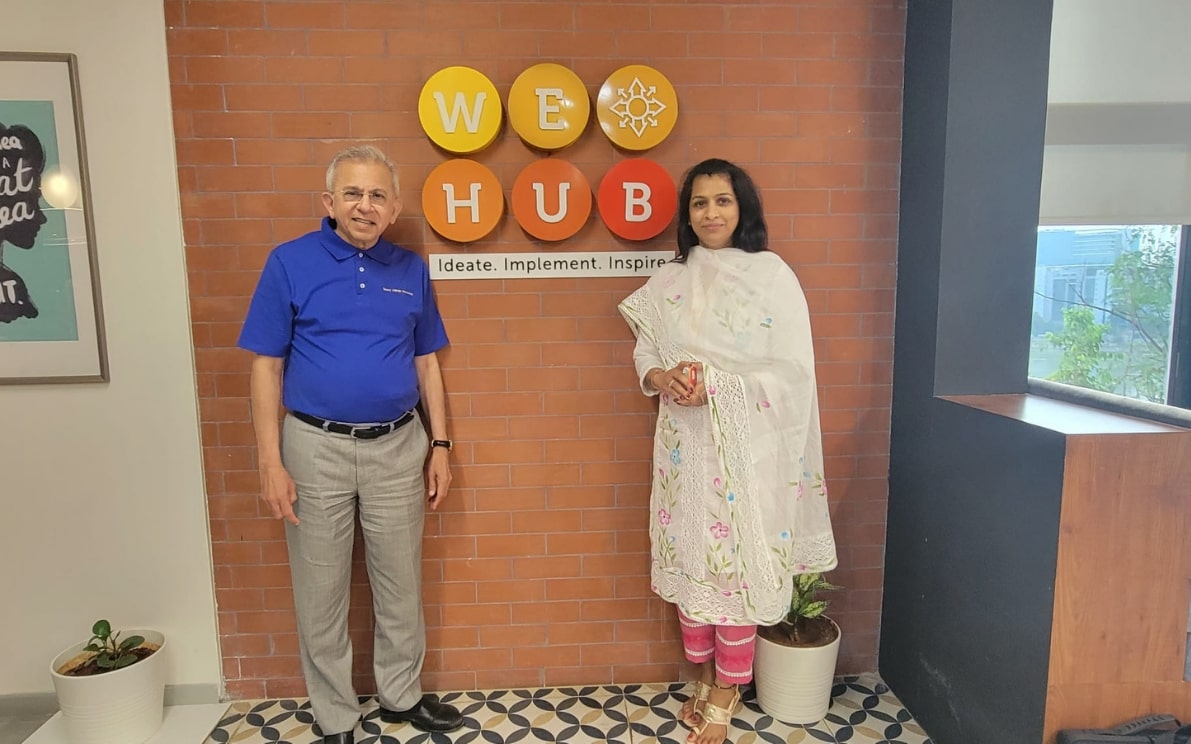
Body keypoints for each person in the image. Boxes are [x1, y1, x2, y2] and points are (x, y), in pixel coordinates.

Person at [239, 145, 463, 744]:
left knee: (400, 584)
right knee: (321, 592)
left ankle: (401, 697)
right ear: (330, 202)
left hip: (399, 446)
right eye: (354, 194)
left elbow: (427, 363)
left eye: (378, 195)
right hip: (314, 448)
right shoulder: (289, 263)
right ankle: (336, 715)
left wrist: (441, 444)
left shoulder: (410, 270)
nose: (366, 206)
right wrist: (270, 461)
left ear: (394, 207)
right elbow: (265, 368)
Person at [618, 159, 838, 744]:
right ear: (687, 214)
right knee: (693, 556)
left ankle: (726, 690)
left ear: (743, 208)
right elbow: (647, 350)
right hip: (684, 450)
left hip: (747, 451)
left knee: (734, 566)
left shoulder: (771, 276)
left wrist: (716, 384)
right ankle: (704, 676)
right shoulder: (669, 281)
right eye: (699, 203)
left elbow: (794, 374)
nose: (711, 213)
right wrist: (661, 377)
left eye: (722, 201)